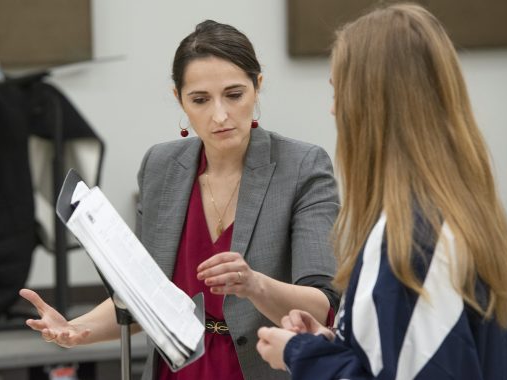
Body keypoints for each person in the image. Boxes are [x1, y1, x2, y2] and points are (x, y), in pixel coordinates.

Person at [20, 20, 341, 380]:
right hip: (178, 370)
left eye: (234, 95)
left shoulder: (302, 166)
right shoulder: (161, 167)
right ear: (179, 99)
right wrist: (76, 330)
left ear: (257, 87)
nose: (219, 115)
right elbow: (147, 297)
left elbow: (324, 304)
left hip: (262, 368)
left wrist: (255, 285)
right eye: (200, 100)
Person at [256, 3, 507, 379]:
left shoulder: (413, 240)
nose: (333, 109)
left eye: (339, 90)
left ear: (373, 103)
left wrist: (300, 354)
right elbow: (398, 357)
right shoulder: (446, 216)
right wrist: (329, 342)